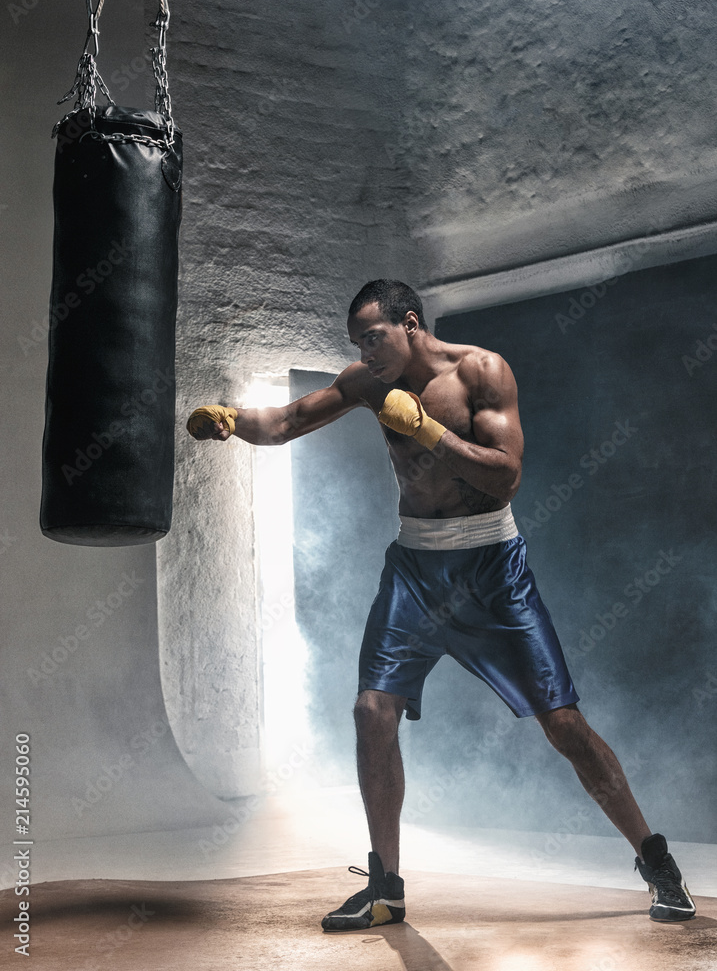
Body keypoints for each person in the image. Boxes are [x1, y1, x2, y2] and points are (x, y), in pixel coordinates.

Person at [186, 279, 696, 930]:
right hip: (415, 571)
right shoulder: (368, 382)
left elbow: (505, 475)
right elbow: (287, 421)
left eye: (374, 338)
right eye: (357, 344)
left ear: (410, 323)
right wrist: (231, 420)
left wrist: (427, 431)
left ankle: (656, 863)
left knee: (564, 724)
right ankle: (385, 889)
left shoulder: (481, 371)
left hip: (492, 570)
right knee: (372, 711)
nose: (366, 354)